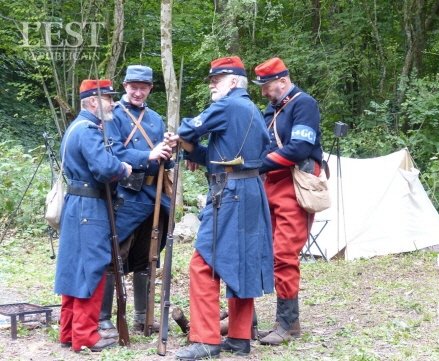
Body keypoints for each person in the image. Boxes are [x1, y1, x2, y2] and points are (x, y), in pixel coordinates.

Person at [169, 56, 274, 360]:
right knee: (242, 262)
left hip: (230, 192)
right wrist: (193, 151)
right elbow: (220, 156)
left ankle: (206, 339)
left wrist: (182, 139)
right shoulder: (252, 109)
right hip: (250, 188)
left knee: (203, 264)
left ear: (232, 81)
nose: (212, 85)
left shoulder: (228, 105)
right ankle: (239, 338)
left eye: (216, 80)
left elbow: (189, 128)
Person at [54, 79, 132, 352]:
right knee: (92, 267)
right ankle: (86, 335)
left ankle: (69, 331)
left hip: (77, 204)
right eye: (108, 98)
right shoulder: (88, 130)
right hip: (90, 206)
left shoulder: (74, 127)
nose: (113, 103)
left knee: (74, 266)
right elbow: (103, 168)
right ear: (92, 102)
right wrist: (123, 167)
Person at [252, 57, 323, 345]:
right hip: (272, 186)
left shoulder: (303, 104)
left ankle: (288, 324)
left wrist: (258, 164)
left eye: (267, 87)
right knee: (269, 253)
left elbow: (300, 147)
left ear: (282, 81)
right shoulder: (273, 110)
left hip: (294, 185)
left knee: (284, 254)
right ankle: (278, 321)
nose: (264, 93)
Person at [99, 65, 173, 336]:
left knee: (148, 257)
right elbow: (114, 152)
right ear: (125, 86)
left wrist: (168, 150)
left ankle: (143, 317)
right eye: (133, 86)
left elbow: (164, 158)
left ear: (150, 89)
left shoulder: (155, 119)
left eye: (143, 87)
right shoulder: (113, 115)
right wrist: (147, 156)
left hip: (153, 196)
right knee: (114, 255)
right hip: (126, 194)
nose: (138, 91)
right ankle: (105, 318)